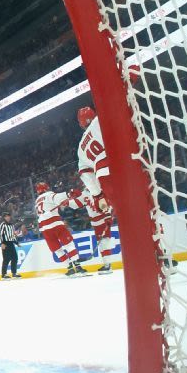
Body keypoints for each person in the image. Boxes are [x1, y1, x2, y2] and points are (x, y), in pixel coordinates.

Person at [77, 107, 118, 273]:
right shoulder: (102, 119)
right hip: (124, 163)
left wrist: (100, 195)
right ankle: (162, 254)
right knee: (146, 210)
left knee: (130, 217)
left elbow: (86, 174)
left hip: (104, 176)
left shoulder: (81, 147)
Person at [34, 182, 89, 276]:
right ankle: (77, 265)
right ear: (46, 188)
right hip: (55, 223)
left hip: (44, 228)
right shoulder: (48, 194)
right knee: (68, 244)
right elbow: (59, 198)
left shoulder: (36, 201)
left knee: (57, 249)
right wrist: (69, 194)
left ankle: (70, 268)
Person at [0, 213, 22, 279]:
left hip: (11, 243)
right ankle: (3, 275)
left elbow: (12, 235)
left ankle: (14, 273)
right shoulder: (3, 224)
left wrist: (16, 243)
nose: (8, 217)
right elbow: (0, 234)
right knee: (6, 259)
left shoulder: (11, 225)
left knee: (15, 258)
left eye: (8, 216)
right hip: (5, 243)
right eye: (6, 216)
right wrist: (2, 243)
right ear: (4, 218)